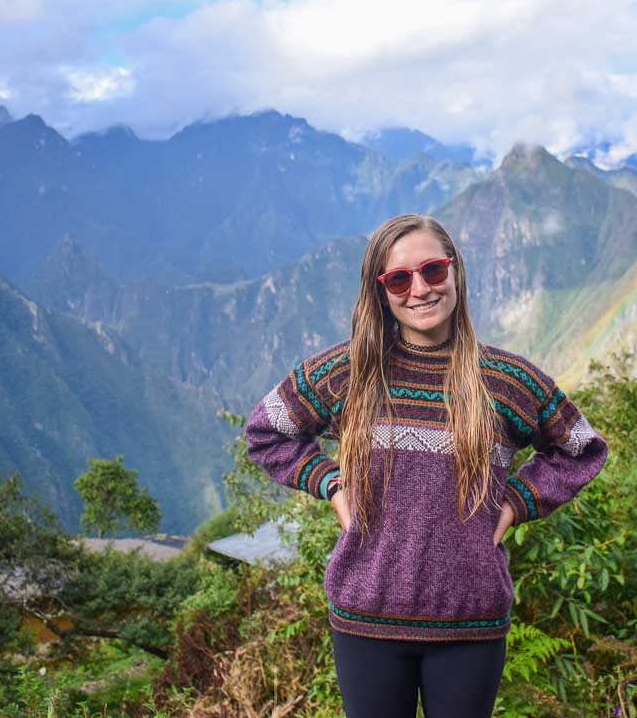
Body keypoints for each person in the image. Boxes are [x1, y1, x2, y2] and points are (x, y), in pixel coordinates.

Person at [245, 213, 608, 717]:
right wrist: (333, 486)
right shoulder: (350, 372)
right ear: (381, 291)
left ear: (455, 271)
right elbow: (266, 431)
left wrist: (515, 504)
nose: (419, 289)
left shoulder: (504, 380)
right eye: (399, 278)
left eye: (432, 270)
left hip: (469, 620)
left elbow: (582, 448)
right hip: (366, 617)